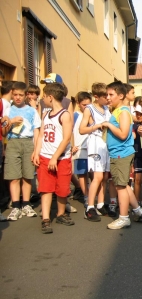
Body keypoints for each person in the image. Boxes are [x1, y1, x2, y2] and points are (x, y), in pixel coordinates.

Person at [100, 81, 142, 229]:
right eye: (107, 94)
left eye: (111, 94)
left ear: (120, 96)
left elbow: (123, 134)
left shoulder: (124, 112)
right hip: (117, 153)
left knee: (120, 186)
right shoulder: (117, 111)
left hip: (121, 154)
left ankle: (124, 217)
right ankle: (137, 210)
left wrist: (108, 124)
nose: (108, 97)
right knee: (123, 184)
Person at [33, 83, 74, 234]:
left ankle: (61, 214)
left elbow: (67, 139)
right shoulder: (45, 114)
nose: (42, 99)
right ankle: (45, 219)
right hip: (45, 156)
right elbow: (42, 135)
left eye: (44, 96)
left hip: (61, 158)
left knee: (62, 188)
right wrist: (37, 152)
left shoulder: (65, 115)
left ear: (50, 97)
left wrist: (55, 158)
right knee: (46, 188)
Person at [2, 81, 40, 221]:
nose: (18, 97)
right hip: (12, 142)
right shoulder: (8, 110)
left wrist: (36, 149)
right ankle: (16, 206)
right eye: (15, 95)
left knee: (27, 175)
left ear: (26, 96)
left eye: (21, 95)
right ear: (12, 94)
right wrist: (10, 122)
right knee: (14, 176)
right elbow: (4, 132)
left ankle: (26, 204)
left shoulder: (31, 111)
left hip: (27, 142)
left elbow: (36, 130)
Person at [79, 83, 111, 221]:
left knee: (104, 177)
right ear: (96, 97)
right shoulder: (89, 109)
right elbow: (82, 129)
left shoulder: (106, 108)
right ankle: (89, 207)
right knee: (97, 176)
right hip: (95, 143)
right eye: (105, 96)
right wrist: (97, 125)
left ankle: (100, 204)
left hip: (106, 143)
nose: (108, 98)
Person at [71, 92, 91, 209]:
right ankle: (87, 197)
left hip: (92, 150)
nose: (86, 107)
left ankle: (97, 198)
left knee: (94, 175)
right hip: (80, 150)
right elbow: (69, 131)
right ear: (78, 104)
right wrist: (71, 145)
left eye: (88, 104)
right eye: (84, 105)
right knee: (82, 175)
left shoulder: (93, 114)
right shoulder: (75, 115)